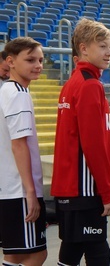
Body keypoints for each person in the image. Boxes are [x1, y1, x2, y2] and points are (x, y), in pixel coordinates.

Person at [51, 18, 110, 266]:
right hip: (84, 187)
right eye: (102, 46)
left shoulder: (73, 83)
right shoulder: (89, 85)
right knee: (99, 254)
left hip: (72, 186)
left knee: (72, 249)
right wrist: (108, 193)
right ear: (83, 48)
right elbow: (93, 145)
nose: (109, 52)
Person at [0, 37, 47, 266]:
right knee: (37, 254)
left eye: (40, 59)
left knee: (14, 255)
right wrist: (31, 192)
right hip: (20, 191)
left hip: (9, 188)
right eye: (30, 60)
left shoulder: (7, 90)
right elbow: (18, 145)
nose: (37, 65)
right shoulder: (17, 93)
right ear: (10, 61)